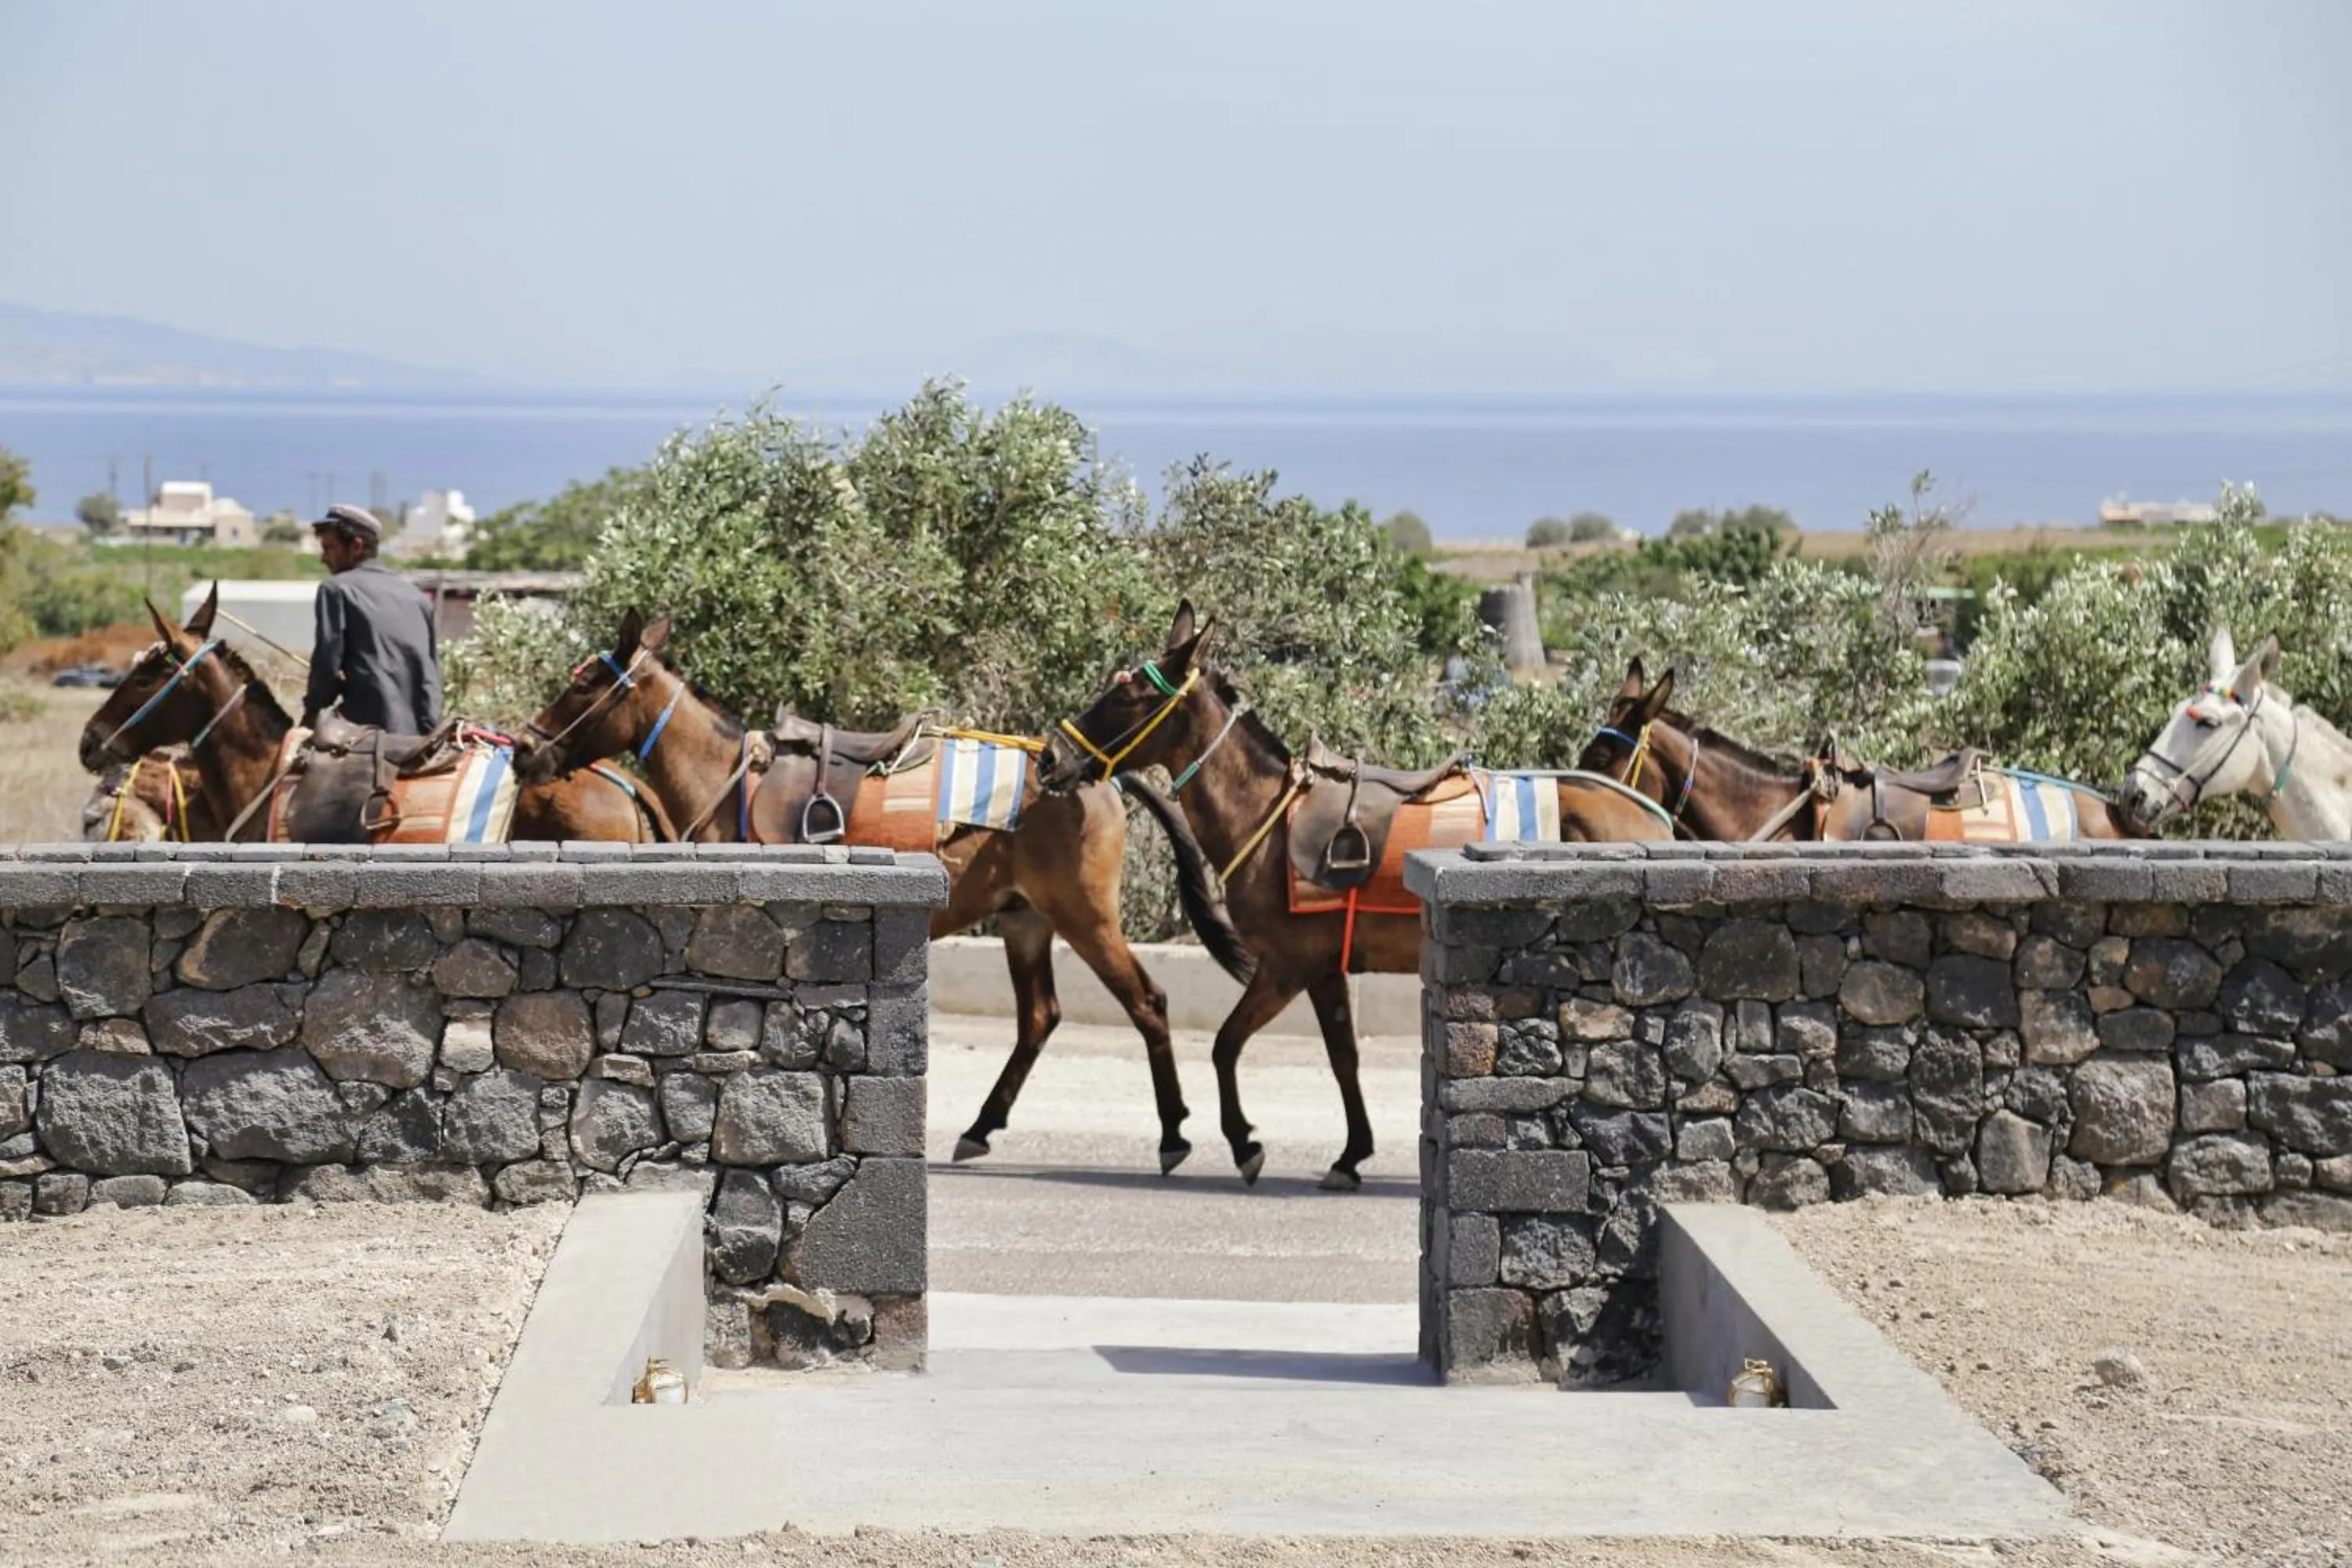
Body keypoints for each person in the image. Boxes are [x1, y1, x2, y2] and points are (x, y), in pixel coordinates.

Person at [303, 503, 443, 735]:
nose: (323, 558)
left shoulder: (336, 590)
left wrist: (312, 712)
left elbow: (326, 666)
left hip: (368, 732)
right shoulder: (418, 598)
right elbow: (433, 674)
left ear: (356, 546)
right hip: (423, 734)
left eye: (329, 548)